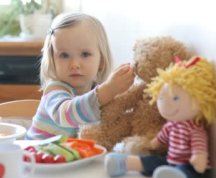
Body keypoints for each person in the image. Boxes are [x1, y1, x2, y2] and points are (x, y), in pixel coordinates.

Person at [104, 56, 216, 178]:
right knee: (153, 161)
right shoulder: (170, 126)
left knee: (186, 171)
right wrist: (151, 145)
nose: (166, 104)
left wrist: (198, 156)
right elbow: (160, 140)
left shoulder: (195, 128)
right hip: (169, 159)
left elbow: (199, 147)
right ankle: (123, 163)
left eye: (175, 98)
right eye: (162, 98)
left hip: (188, 163)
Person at [25, 12, 135, 140]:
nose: (74, 64)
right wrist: (107, 91)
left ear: (101, 61)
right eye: (64, 55)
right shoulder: (55, 90)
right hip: (37, 155)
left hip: (74, 156)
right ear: (52, 60)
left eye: (85, 54)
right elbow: (66, 115)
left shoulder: (97, 91)